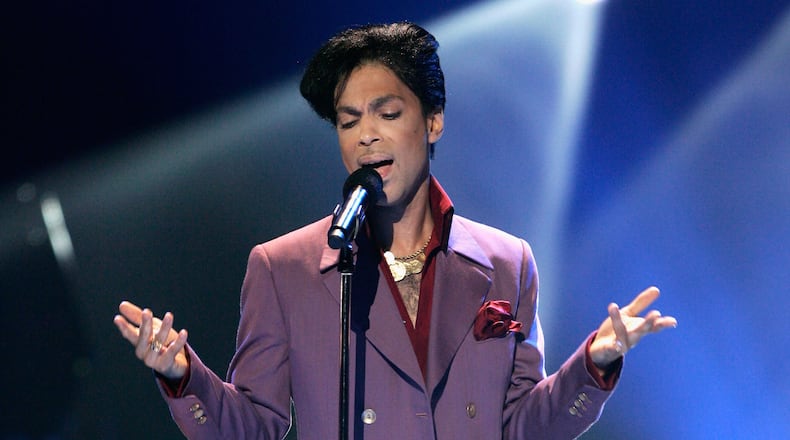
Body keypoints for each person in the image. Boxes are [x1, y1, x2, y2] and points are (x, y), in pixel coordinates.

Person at [114, 21, 677, 439]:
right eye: (348, 120)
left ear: (432, 120)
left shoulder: (508, 261)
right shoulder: (283, 267)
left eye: (387, 114)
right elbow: (253, 425)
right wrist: (184, 376)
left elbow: (524, 426)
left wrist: (592, 366)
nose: (366, 136)